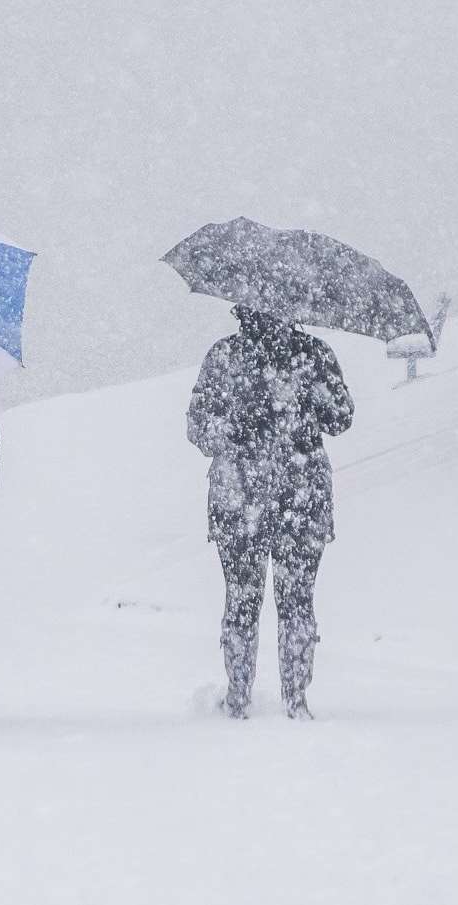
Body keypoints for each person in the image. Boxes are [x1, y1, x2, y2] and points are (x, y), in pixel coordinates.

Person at [186, 306, 353, 719]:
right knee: (296, 601)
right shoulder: (313, 354)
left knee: (243, 599)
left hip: (243, 496)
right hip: (299, 497)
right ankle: (294, 701)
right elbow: (341, 416)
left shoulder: (226, 355)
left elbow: (199, 425)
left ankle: (240, 697)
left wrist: (233, 430)